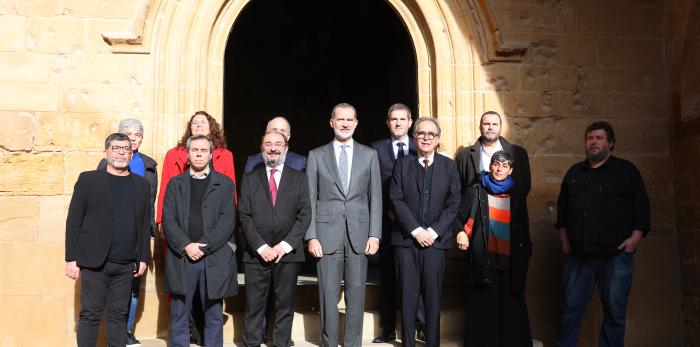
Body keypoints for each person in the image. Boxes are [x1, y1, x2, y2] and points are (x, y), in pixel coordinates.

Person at [555, 121, 651, 347]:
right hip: (579, 256)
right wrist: (564, 241)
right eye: (590, 138)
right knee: (570, 309)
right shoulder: (574, 173)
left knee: (615, 312)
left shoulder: (627, 171)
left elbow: (642, 208)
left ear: (611, 143)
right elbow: (562, 210)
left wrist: (634, 239)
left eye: (599, 138)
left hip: (616, 256)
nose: (593, 142)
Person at [156, 110, 237, 345]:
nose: (199, 154)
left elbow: (226, 221)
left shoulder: (225, 185)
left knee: (213, 314)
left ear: (212, 155)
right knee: (180, 312)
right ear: (188, 153)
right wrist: (186, 245)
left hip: (213, 257)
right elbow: (168, 219)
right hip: (182, 256)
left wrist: (203, 246)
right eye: (195, 150)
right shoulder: (175, 183)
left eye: (204, 151)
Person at [305, 103, 382, 347]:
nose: (345, 124)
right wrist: (311, 236)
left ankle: (352, 343)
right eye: (341, 119)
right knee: (328, 294)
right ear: (332, 122)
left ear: (356, 123)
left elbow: (376, 198)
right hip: (326, 235)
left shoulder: (369, 155)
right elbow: (309, 198)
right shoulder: (316, 155)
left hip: (359, 234)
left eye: (350, 120)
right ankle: (329, 343)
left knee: (356, 294)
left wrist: (375, 234)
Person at [65, 133, 151, 347]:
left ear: (131, 154)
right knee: (90, 314)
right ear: (106, 152)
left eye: (126, 148)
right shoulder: (88, 180)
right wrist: (71, 258)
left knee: (118, 316)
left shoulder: (141, 185)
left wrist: (143, 257)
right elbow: (73, 221)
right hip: (94, 262)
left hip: (125, 263)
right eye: (116, 147)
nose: (121, 152)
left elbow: (143, 224)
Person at [390, 117, 461, 347]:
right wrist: (416, 230)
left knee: (433, 297)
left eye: (431, 134)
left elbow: (453, 204)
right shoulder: (402, 165)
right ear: (414, 138)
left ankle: (433, 343)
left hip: (436, 243)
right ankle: (408, 343)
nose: (426, 138)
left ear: (438, 139)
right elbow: (396, 199)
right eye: (421, 134)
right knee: (408, 297)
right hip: (406, 242)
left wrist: (432, 231)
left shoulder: (449, 166)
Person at [239, 131, 311, 347]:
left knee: (284, 305)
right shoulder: (250, 178)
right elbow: (244, 214)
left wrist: (284, 246)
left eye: (278, 144)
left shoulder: (299, 178)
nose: (273, 148)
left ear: (286, 149)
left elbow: (305, 214)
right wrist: (261, 247)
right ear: (262, 148)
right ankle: (251, 343)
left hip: (287, 254)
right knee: (254, 305)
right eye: (268, 144)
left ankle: (281, 343)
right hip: (256, 254)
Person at [454, 150, 533, 347]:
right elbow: (456, 217)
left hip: (510, 260)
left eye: (505, 165)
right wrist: (460, 232)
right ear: (490, 166)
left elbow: (523, 228)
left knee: (510, 310)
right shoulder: (476, 190)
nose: (499, 168)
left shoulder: (517, 194)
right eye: (496, 164)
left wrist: (526, 255)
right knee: (484, 310)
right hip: (484, 260)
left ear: (511, 170)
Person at [97, 119, 157, 346]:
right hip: (112, 236)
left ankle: (127, 332)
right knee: (109, 288)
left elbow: (150, 201)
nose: (133, 138)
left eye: (137, 134)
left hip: (137, 234)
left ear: (142, 139)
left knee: (133, 288)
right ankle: (114, 334)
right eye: (127, 133)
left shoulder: (150, 165)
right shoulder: (106, 164)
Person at [370, 103, 426, 343]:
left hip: (417, 225)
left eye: (403, 119)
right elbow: (372, 187)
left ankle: (420, 324)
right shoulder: (376, 150)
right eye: (394, 119)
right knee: (388, 275)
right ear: (388, 122)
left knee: (419, 275)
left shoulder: (421, 147)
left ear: (410, 122)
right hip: (387, 221)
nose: (398, 123)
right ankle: (388, 328)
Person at [454, 111, 530, 196]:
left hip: (511, 208)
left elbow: (525, 186)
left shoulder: (519, 153)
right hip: (477, 208)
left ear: (500, 127)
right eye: (486, 124)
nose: (490, 127)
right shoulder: (464, 155)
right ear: (480, 127)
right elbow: (457, 189)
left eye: (494, 124)